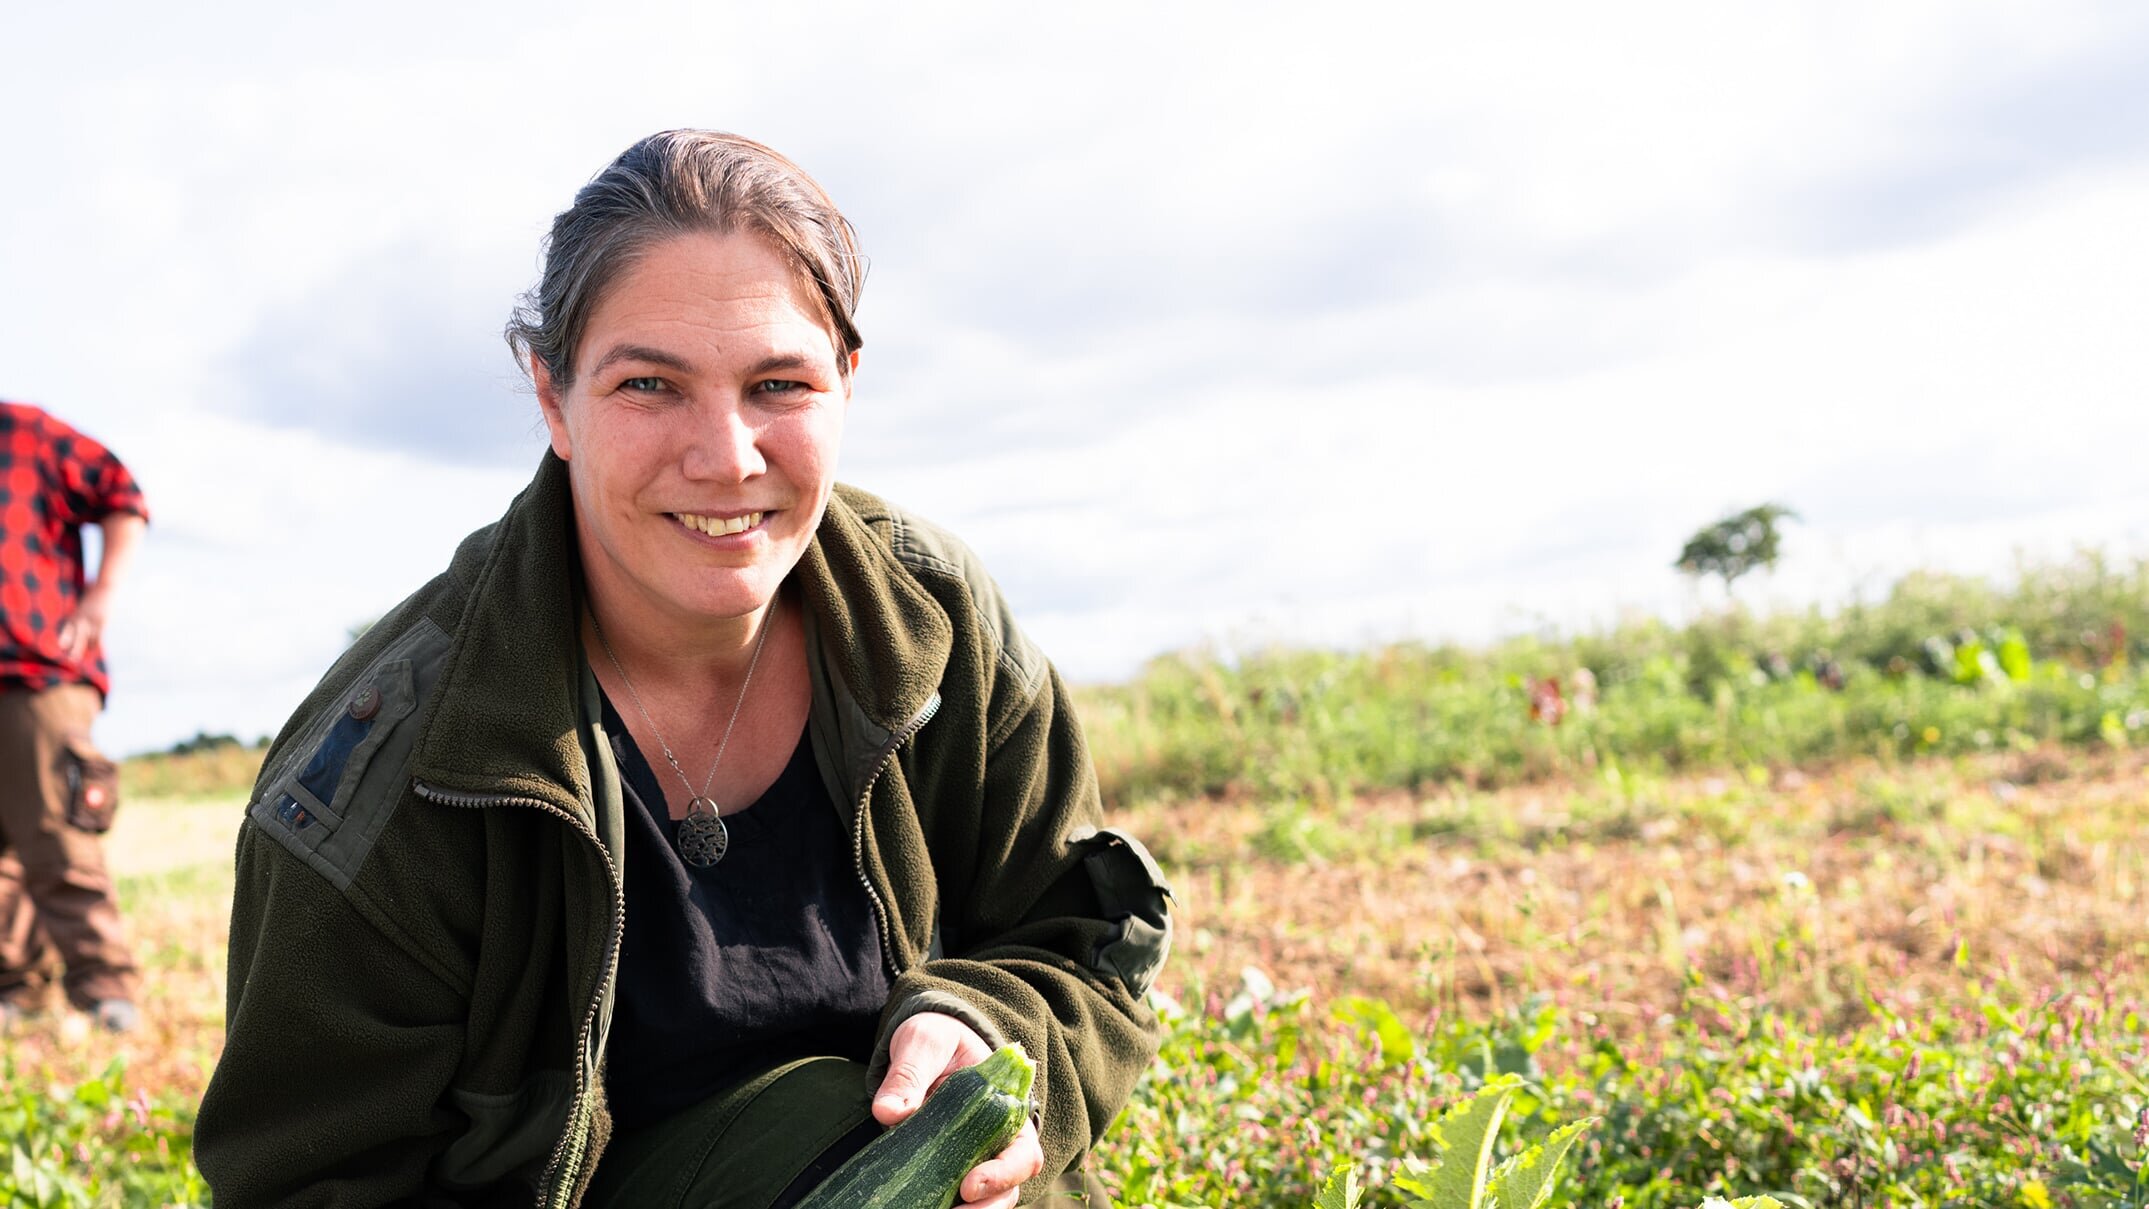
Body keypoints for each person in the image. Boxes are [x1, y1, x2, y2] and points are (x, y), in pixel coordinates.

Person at [197, 131, 1173, 1207]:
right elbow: (306, 1179)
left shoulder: (929, 620)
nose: (725, 455)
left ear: (847, 383)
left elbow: (1086, 939)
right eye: (650, 384)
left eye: (779, 383)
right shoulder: (398, 767)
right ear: (551, 396)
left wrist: (983, 1024)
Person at [0, 400, 147, 1035]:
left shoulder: (23, 433)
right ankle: (16, 991)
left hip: (38, 668)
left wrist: (103, 592)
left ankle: (106, 991)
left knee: (58, 834)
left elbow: (123, 492)